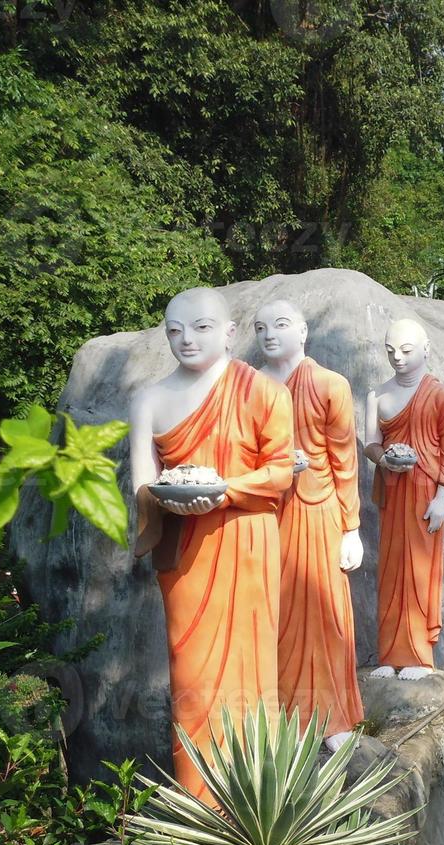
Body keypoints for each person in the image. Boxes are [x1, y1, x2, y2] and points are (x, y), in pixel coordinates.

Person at [129, 287, 293, 803]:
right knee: (192, 673)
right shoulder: (149, 399)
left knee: (251, 667)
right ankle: (199, 802)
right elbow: (143, 483)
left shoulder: (263, 391)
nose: (185, 340)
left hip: (247, 540)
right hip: (185, 549)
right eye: (174, 330)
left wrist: (226, 490)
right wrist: (167, 499)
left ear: (228, 332)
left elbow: (281, 469)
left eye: (200, 327)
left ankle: (253, 800)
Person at [254, 299, 364, 752]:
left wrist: (352, 528)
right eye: (260, 327)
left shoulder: (328, 384)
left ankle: (333, 717)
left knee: (323, 612)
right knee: (271, 614)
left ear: (303, 332)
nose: (269, 334)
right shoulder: (249, 386)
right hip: (265, 513)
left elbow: (345, 459)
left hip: (318, 510)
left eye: (280, 325)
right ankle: (283, 717)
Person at [364, 318, 444, 680]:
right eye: (391, 351)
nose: (398, 358)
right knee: (391, 570)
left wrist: (442, 498)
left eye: (405, 350)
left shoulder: (442, 396)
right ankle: (390, 653)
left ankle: (419, 656)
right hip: (393, 489)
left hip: (425, 494)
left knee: (420, 571)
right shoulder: (378, 394)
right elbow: (371, 442)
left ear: (425, 349)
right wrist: (383, 457)